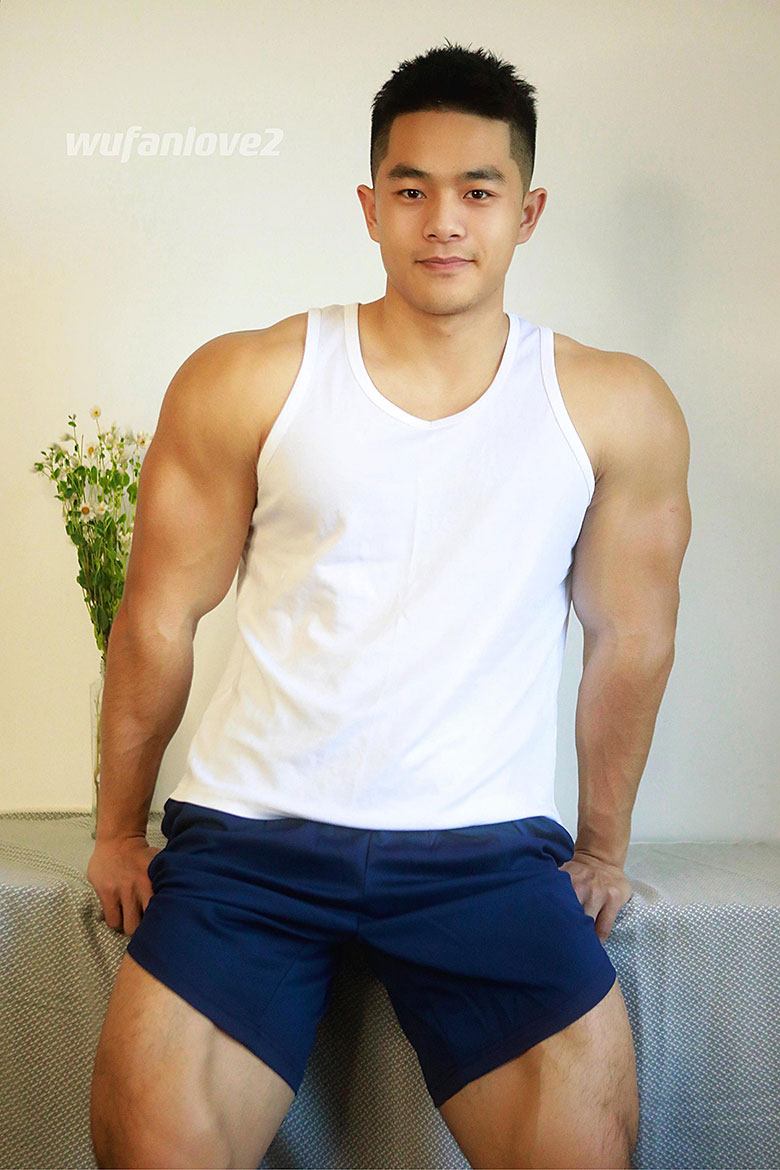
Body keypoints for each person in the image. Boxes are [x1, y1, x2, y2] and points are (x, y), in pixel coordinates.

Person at [87, 40, 691, 1170]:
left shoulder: (613, 407)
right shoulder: (249, 377)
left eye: (479, 191)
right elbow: (156, 616)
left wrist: (604, 847)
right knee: (152, 1145)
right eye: (412, 190)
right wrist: (119, 828)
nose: (444, 220)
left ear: (528, 211)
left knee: (582, 1151)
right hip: (252, 844)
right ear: (370, 207)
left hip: (482, 852)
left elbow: (632, 640)